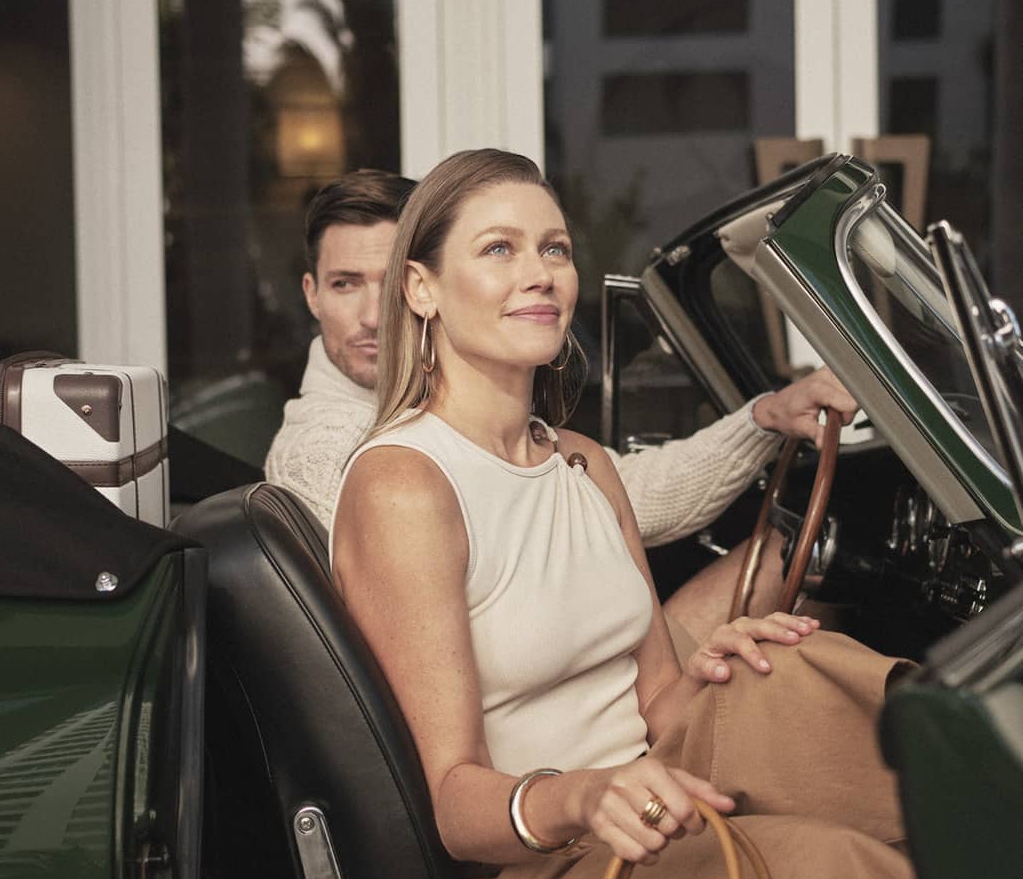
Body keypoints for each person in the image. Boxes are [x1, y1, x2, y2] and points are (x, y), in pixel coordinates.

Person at [329, 148, 986, 879]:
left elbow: (656, 700)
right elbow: (445, 799)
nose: (540, 273)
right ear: (422, 287)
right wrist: (585, 795)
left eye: (553, 247)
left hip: (650, 800)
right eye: (498, 249)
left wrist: (711, 662)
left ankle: (993, 822)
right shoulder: (406, 486)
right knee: (831, 875)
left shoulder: (581, 462)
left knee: (799, 675)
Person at [265, 169, 857, 643]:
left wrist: (764, 418)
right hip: (524, 749)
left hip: (593, 703)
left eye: (387, 280)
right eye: (346, 284)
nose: (374, 315)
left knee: (801, 568)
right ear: (312, 295)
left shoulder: (492, 428)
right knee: (803, 569)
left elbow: (625, 495)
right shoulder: (329, 456)